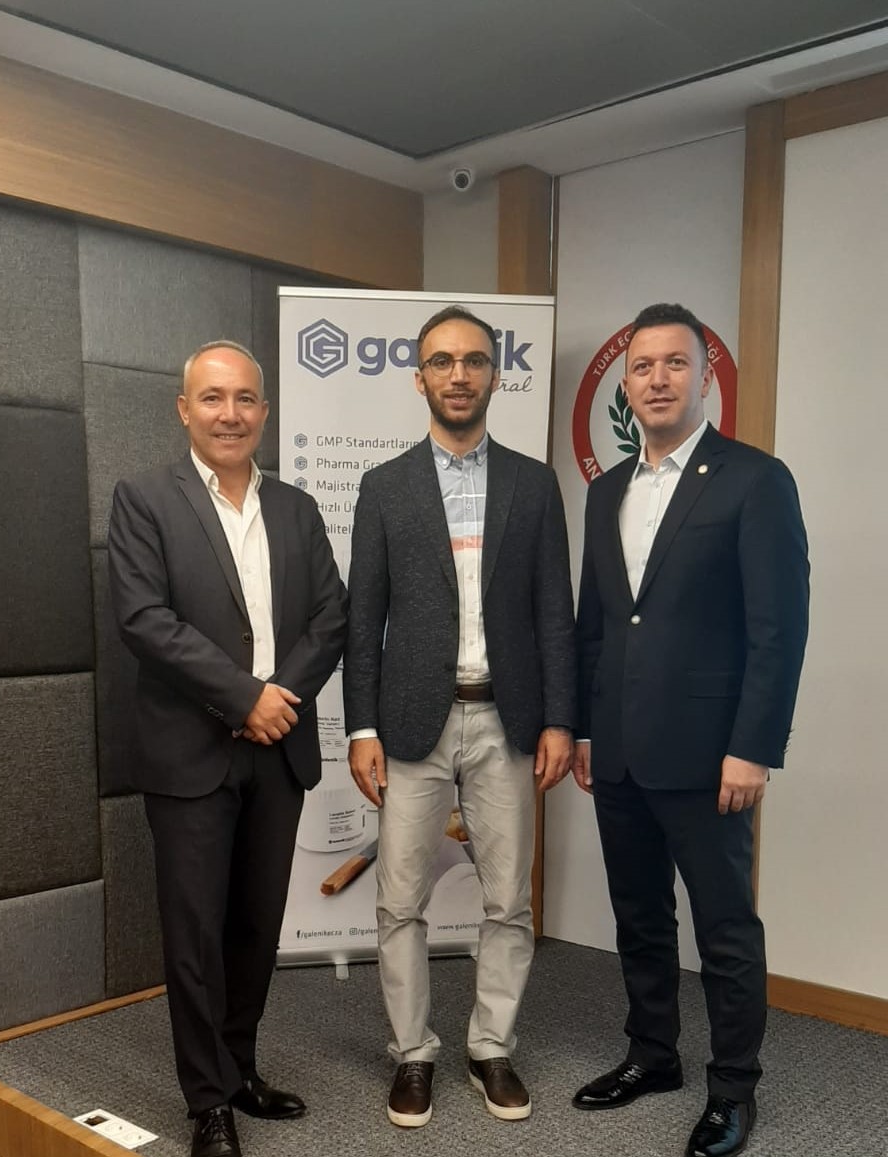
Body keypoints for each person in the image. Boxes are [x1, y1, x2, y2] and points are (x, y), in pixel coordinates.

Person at [572, 303, 809, 1157]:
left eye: (675, 363)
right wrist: (587, 729)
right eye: (642, 366)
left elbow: (778, 628)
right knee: (639, 917)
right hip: (619, 749)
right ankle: (653, 1054)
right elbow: (597, 624)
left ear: (705, 376)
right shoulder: (605, 490)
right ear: (625, 384)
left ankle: (733, 1089)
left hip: (712, 757)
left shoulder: (755, 479)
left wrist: (754, 746)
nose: (658, 379)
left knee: (724, 930)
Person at [108, 341, 347, 1157]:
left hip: (278, 749)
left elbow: (332, 616)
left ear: (264, 412)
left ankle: (240, 1067)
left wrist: (277, 700)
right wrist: (245, 697)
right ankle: (208, 1101)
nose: (230, 413)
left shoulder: (298, 507)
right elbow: (145, 620)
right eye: (213, 398)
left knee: (255, 923)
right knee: (195, 936)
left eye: (245, 398)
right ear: (185, 409)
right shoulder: (144, 499)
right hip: (191, 751)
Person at [344, 305, 576, 1128]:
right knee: (399, 900)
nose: (458, 374)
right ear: (419, 378)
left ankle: (489, 1046)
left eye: (474, 360)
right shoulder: (384, 487)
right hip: (412, 725)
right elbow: (363, 618)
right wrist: (361, 728)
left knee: (508, 900)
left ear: (495, 375)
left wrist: (560, 719)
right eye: (441, 361)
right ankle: (413, 1053)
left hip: (508, 723)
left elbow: (554, 612)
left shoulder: (533, 484)